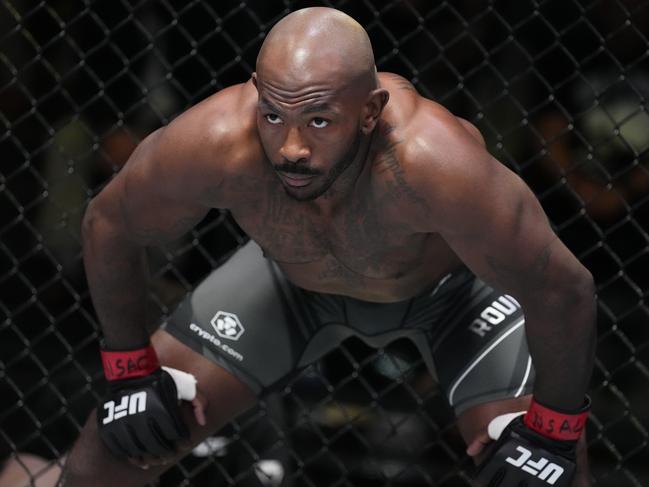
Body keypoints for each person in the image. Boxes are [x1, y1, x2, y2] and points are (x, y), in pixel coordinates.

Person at [58, 7, 596, 487]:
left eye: (319, 120)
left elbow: (562, 287)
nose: (291, 148)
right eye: (273, 116)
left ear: (369, 111)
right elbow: (109, 224)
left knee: (545, 476)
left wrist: (554, 430)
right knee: (110, 451)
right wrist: (130, 368)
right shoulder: (216, 142)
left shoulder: (434, 163)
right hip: (291, 284)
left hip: (450, 297)